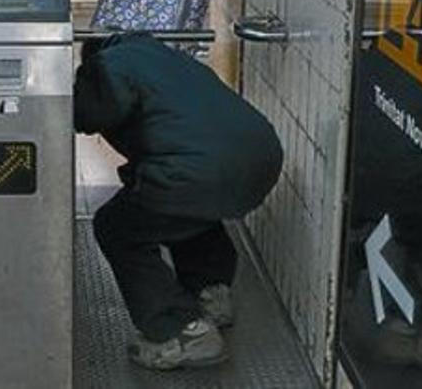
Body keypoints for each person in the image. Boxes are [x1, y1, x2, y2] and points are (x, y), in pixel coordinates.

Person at [74, 32, 282, 371]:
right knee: (182, 209)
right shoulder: (164, 56)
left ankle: (182, 332)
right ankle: (210, 292)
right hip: (262, 157)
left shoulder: (108, 65)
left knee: (117, 227)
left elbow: (89, 113)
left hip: (201, 170)